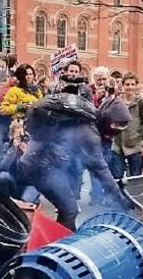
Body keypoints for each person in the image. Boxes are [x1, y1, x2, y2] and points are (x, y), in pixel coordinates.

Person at [20, 93, 130, 228]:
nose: (118, 130)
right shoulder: (89, 133)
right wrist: (120, 199)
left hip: (39, 162)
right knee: (69, 210)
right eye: (117, 125)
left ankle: (59, 239)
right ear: (108, 120)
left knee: (67, 209)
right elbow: (101, 170)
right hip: (40, 166)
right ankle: (61, 244)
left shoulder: (87, 119)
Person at [113, 72, 143, 177]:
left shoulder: (142, 102)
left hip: (135, 147)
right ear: (123, 85)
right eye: (127, 84)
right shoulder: (116, 102)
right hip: (117, 146)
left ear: (136, 86)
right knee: (116, 178)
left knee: (135, 179)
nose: (130, 87)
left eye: (132, 84)